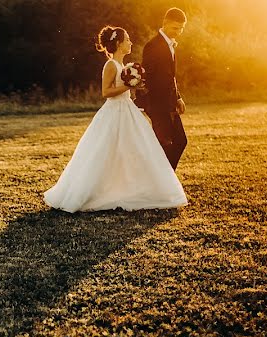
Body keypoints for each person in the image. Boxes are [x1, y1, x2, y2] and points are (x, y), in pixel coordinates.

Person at [43, 26, 187, 213]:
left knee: (136, 151)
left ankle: (130, 188)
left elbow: (125, 90)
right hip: (113, 112)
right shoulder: (111, 65)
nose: (130, 42)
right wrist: (129, 85)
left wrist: (136, 88)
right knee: (106, 152)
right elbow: (106, 92)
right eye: (127, 39)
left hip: (128, 110)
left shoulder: (124, 66)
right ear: (118, 43)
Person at [142, 7, 188, 170]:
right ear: (165, 24)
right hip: (158, 106)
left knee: (180, 141)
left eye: (181, 28)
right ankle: (162, 182)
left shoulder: (171, 45)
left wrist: (178, 97)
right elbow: (146, 78)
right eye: (175, 28)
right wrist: (147, 105)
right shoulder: (152, 46)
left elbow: (170, 77)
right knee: (165, 145)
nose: (178, 32)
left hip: (170, 104)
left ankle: (165, 180)